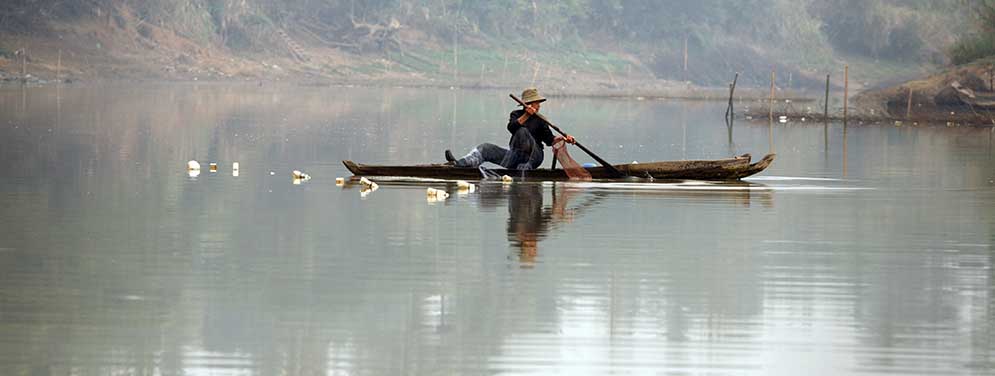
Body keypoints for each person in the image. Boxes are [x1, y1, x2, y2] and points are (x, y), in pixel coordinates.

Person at [445, 88, 575, 170]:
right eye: (536, 102)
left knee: (524, 134)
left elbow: (549, 140)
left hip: (534, 157)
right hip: (515, 156)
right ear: (528, 104)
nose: (539, 105)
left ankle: (525, 168)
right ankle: (459, 164)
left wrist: (564, 138)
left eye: (538, 103)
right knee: (485, 148)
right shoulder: (516, 114)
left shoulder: (541, 119)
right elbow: (512, 127)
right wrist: (526, 115)